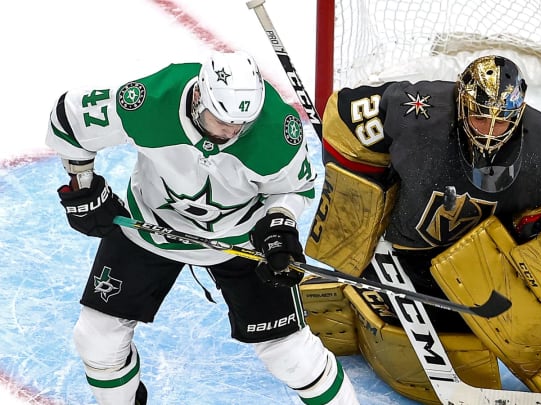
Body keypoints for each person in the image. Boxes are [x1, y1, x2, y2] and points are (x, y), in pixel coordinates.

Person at [301, 55, 541, 404]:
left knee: (491, 329)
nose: (488, 130)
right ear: (461, 103)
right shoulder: (415, 111)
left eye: (500, 123)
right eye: (480, 117)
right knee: (443, 342)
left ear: (518, 115)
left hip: (476, 260)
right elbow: (341, 114)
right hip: (403, 246)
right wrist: (368, 190)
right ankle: (352, 289)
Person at [46, 50, 359, 405]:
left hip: (241, 237)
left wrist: (278, 225)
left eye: (242, 125)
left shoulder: (276, 129)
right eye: (221, 120)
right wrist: (83, 185)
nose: (231, 132)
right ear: (198, 97)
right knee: (96, 339)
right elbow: (68, 119)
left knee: (293, 357)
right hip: (151, 225)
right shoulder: (152, 100)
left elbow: (294, 188)